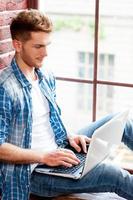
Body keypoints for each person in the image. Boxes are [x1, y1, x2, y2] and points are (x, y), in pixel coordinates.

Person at [0, 9, 133, 200]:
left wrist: (70, 136)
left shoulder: (45, 75)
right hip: (35, 172)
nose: (45, 53)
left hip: (60, 147)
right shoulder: (5, 88)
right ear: (17, 45)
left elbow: (47, 121)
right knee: (116, 176)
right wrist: (44, 156)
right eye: (38, 46)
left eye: (47, 45)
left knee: (124, 124)